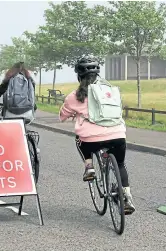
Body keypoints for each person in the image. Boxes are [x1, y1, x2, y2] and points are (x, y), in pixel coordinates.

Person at [59, 57, 135, 214]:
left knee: (79, 139)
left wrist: (74, 112)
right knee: (120, 164)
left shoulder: (74, 96)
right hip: (118, 135)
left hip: (91, 140)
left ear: (79, 76)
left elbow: (62, 116)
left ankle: (89, 167)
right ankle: (127, 197)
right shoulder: (111, 90)